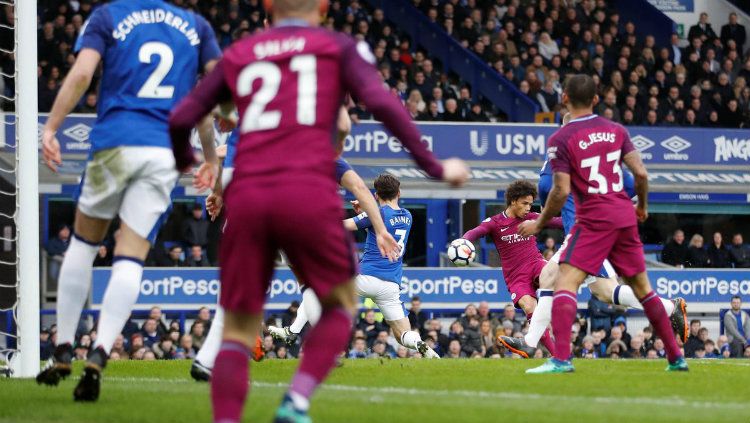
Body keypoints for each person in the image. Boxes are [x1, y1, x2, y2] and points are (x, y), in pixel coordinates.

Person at [167, 2, 469, 422]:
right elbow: (383, 105)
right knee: (340, 304)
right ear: (324, 8)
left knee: (237, 329)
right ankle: (297, 400)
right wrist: (435, 167)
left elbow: (182, 115)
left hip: (249, 195)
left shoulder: (242, 53)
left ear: (268, 8)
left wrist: (194, 164)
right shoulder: (337, 47)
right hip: (307, 192)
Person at [36, 0, 221, 401]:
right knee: (130, 256)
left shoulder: (109, 15)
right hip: (163, 152)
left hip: (114, 142)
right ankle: (101, 351)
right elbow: (210, 102)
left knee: (84, 245)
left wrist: (51, 127)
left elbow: (83, 72)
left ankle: (64, 346)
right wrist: (210, 160)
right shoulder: (196, 27)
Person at [519, 74, 687, 373]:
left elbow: (559, 190)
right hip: (623, 216)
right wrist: (643, 207)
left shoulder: (561, 139)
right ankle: (676, 358)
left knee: (565, 284)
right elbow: (642, 175)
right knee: (643, 289)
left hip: (592, 219)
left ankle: (560, 359)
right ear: (597, 99)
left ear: (565, 99)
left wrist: (539, 223)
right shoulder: (616, 130)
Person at [461, 180, 563, 357]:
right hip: (516, 277)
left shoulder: (531, 218)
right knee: (531, 308)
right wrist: (464, 241)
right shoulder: (495, 223)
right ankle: (557, 355)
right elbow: (475, 232)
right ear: (513, 201)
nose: (528, 208)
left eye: (531, 204)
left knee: (555, 281)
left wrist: (581, 220)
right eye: (525, 203)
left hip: (536, 264)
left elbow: (557, 222)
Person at [343, 173, 440, 358]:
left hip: (365, 278)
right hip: (390, 286)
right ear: (399, 193)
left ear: (376, 195)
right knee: (402, 334)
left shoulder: (375, 213)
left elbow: (348, 225)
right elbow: (381, 224)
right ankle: (424, 348)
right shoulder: (408, 216)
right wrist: (365, 212)